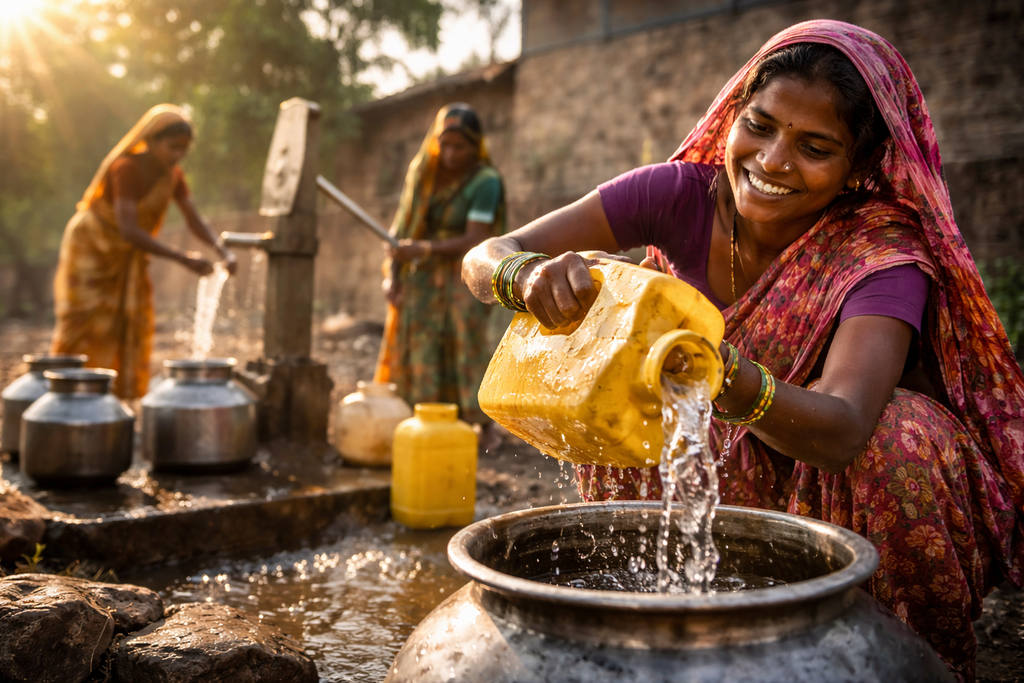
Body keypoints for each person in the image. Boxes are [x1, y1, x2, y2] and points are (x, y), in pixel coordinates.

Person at [462, 20, 1024, 682]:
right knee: (623, 384)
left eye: (815, 146)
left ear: (858, 169)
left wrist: (723, 376)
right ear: (732, 116)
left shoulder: (881, 255)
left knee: (898, 434)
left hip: (829, 483)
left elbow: (844, 427)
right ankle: (652, 628)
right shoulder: (679, 194)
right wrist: (524, 276)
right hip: (709, 453)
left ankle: (887, 660)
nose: (773, 160)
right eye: (760, 125)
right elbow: (484, 256)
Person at [51, 104, 236, 399]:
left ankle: (113, 397)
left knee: (128, 319)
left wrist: (222, 251)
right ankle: (63, 391)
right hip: (92, 246)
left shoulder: (172, 176)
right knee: (85, 321)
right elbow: (128, 230)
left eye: (183, 150)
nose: (177, 155)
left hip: (128, 253)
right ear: (150, 141)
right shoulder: (125, 169)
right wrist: (183, 258)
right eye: (172, 147)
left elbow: (194, 218)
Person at [376, 103, 506, 445]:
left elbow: (477, 237)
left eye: (459, 147)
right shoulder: (424, 174)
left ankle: (479, 423)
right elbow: (402, 228)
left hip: (466, 273)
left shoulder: (485, 182)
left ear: (475, 146)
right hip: (423, 280)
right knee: (421, 345)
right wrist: (394, 275)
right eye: (444, 145)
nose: (449, 154)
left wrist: (423, 249)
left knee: (465, 341)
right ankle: (420, 416)